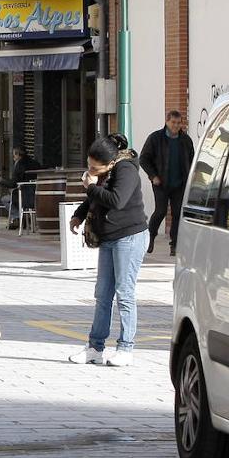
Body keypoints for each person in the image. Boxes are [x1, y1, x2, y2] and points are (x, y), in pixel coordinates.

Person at [68, 133, 148, 367]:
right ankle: (95, 347)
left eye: (95, 167)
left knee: (125, 294)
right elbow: (95, 197)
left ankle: (125, 348)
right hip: (109, 238)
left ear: (111, 163)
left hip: (129, 237)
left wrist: (91, 187)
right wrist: (79, 214)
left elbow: (116, 200)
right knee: (102, 294)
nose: (90, 170)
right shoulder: (103, 173)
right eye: (89, 165)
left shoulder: (127, 170)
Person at [139, 110, 195, 255]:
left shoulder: (186, 140)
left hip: (179, 184)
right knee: (160, 211)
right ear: (167, 121)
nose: (176, 126)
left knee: (177, 213)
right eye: (173, 122)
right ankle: (150, 237)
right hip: (161, 183)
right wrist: (153, 176)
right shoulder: (155, 138)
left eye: (178, 123)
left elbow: (192, 160)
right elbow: (144, 159)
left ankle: (174, 245)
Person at [0, 145, 41, 229]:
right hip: (36, 196)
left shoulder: (19, 165)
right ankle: (22, 219)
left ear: (17, 155)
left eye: (14, 155)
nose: (13, 157)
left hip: (22, 197)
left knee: (4, 199)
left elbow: (13, 184)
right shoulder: (35, 163)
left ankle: (17, 218)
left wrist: (1, 181)